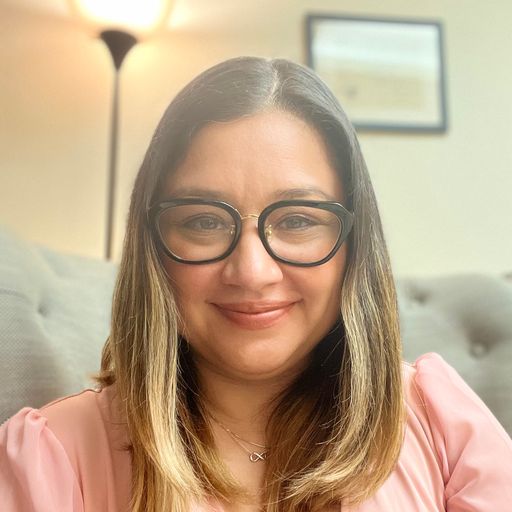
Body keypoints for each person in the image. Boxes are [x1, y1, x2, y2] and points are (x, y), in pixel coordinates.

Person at [1, 56, 511, 512]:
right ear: (152, 245)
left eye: (297, 220)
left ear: (354, 245)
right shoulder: (51, 458)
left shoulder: (442, 422)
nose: (251, 271)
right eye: (204, 221)